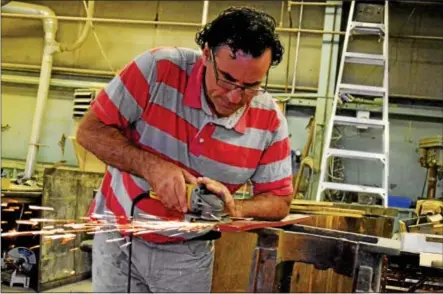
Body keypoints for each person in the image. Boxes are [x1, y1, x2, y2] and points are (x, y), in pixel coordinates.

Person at [76, 6, 293, 293]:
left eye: (251, 85)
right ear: (206, 54)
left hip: (187, 253)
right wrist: (152, 167)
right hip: (118, 236)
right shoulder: (157, 70)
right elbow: (89, 132)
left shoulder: (270, 120)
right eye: (227, 79)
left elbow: (279, 201)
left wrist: (234, 207)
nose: (234, 96)